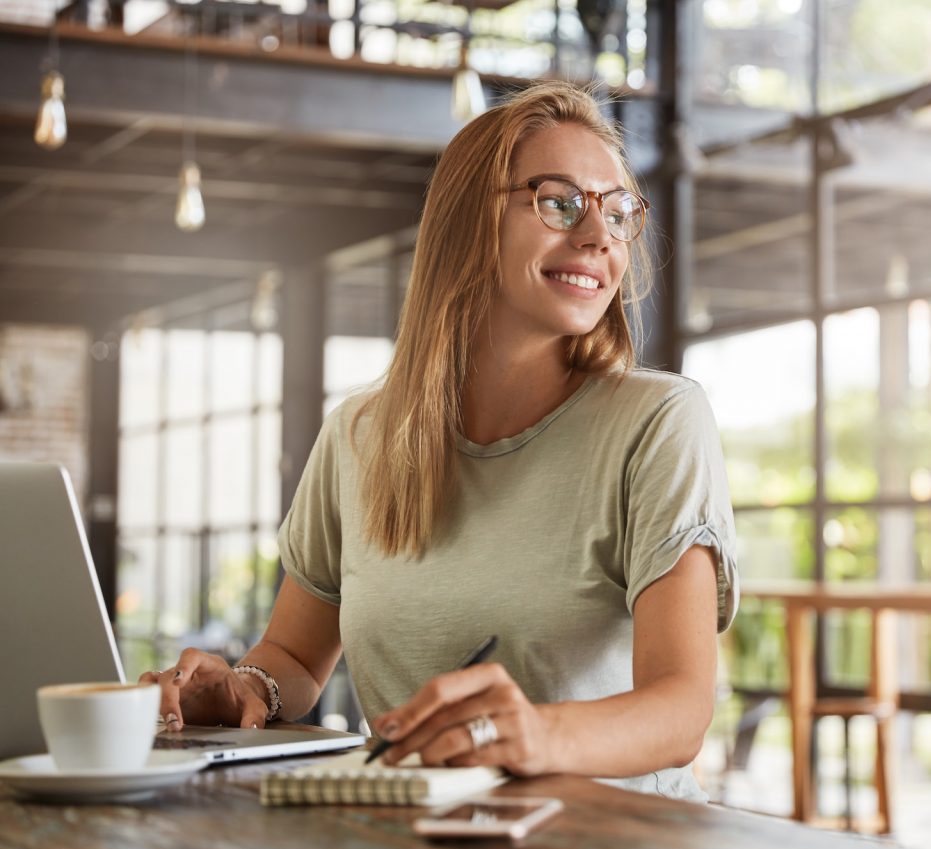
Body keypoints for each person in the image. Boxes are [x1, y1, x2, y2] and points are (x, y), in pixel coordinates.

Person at [142, 81, 739, 801]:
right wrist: (242, 687)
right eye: (560, 201)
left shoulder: (659, 422)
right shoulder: (357, 436)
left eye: (617, 212)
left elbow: (681, 708)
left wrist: (531, 736)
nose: (598, 237)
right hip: (423, 830)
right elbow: (296, 655)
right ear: (467, 220)